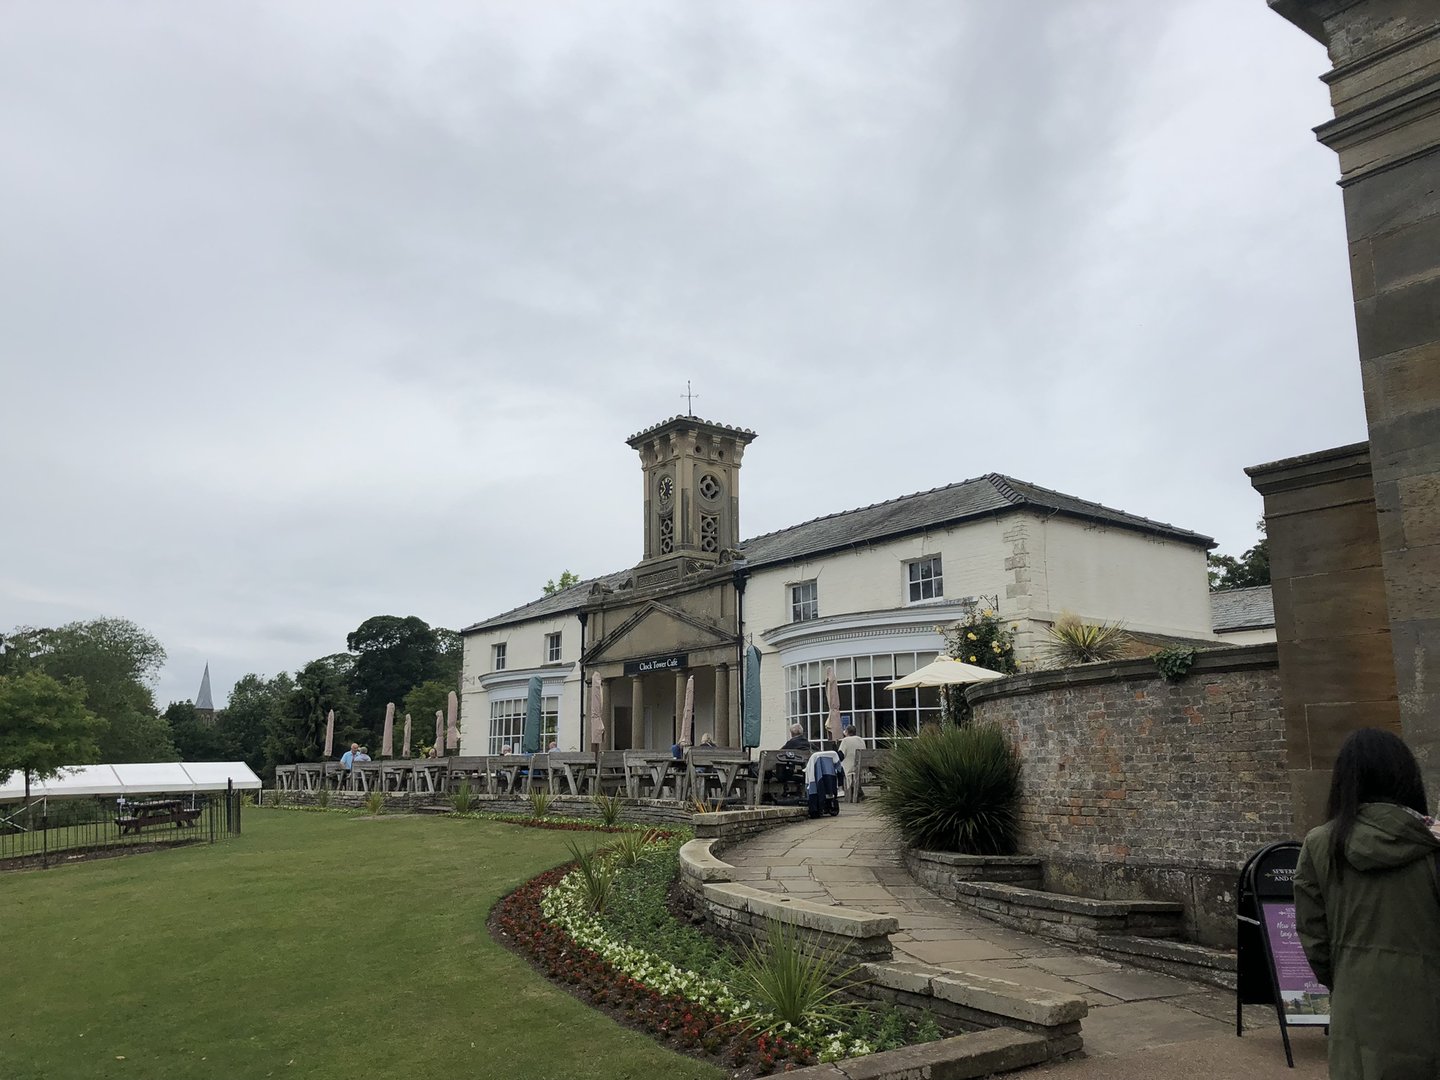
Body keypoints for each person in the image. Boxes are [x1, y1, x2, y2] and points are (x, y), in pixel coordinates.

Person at [1293, 728, 1440, 1080]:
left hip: (1355, 1011)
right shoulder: (1432, 844)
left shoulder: (1320, 845)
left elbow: (1314, 940)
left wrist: (1347, 980)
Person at [837, 725, 867, 801]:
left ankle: (840, 789)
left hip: (850, 767)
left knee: (837, 768)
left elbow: (840, 756)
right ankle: (859, 792)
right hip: (861, 767)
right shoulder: (860, 739)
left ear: (846, 732)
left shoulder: (845, 740)